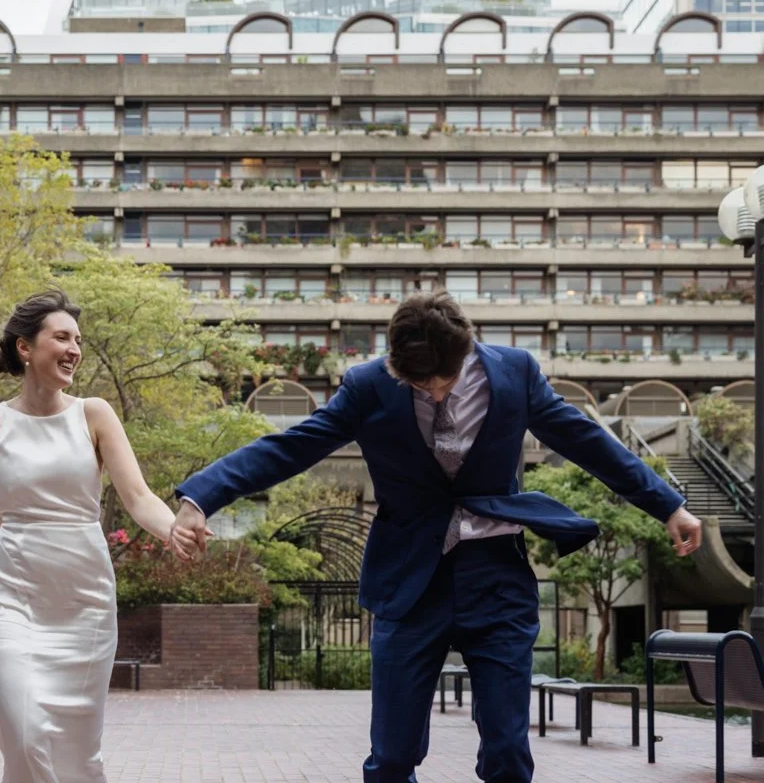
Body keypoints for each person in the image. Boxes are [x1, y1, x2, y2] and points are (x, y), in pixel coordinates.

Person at [170, 291, 701, 783]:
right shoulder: (369, 385)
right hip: (408, 582)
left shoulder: (515, 374)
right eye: (417, 385)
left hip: (495, 580)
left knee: (507, 751)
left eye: (441, 383)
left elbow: (585, 439)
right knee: (393, 755)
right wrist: (201, 498)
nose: (431, 393)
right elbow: (290, 447)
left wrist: (667, 503)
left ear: (467, 352)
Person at [0, 290, 194, 783]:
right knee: (22, 736)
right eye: (61, 337)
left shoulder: (95, 414)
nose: (74, 349)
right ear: (25, 348)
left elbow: (138, 496)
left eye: (78, 340)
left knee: (77, 753)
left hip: (84, 599)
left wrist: (174, 529)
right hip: (12, 596)